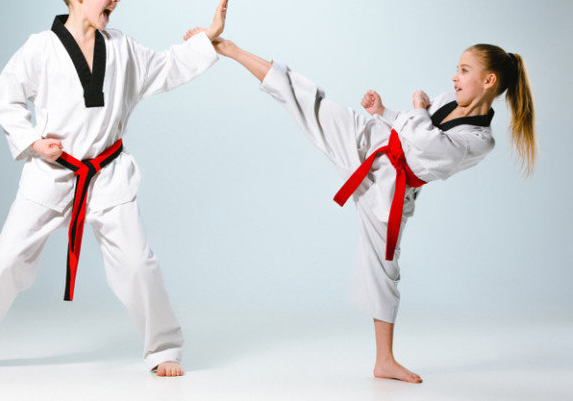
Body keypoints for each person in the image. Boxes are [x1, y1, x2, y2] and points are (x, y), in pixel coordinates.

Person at [0, 0, 230, 377]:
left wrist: (206, 40)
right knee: (6, 260)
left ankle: (164, 349)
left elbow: (168, 67)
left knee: (138, 264)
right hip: (52, 175)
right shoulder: (40, 48)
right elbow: (7, 98)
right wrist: (32, 141)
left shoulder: (122, 47)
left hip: (108, 174)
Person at [191, 32, 535, 383]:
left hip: (389, 192)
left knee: (384, 270)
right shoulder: (448, 100)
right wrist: (382, 112)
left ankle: (384, 361)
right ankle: (231, 49)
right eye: (457, 69)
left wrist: (418, 108)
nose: (454, 77)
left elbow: (426, 142)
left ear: (488, 80)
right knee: (307, 97)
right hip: (372, 140)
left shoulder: (480, 140)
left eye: (463, 70)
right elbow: (410, 127)